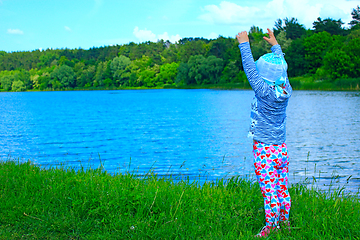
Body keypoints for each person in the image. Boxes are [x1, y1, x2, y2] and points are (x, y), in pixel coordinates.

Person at [236, 28, 292, 238]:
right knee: (281, 187)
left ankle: (270, 226)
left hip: (265, 150)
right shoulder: (286, 89)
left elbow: (250, 69)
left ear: (263, 76)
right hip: (282, 149)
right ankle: (284, 222)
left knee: (269, 190)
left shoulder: (264, 91)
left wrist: (244, 44)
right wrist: (276, 46)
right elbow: (283, 71)